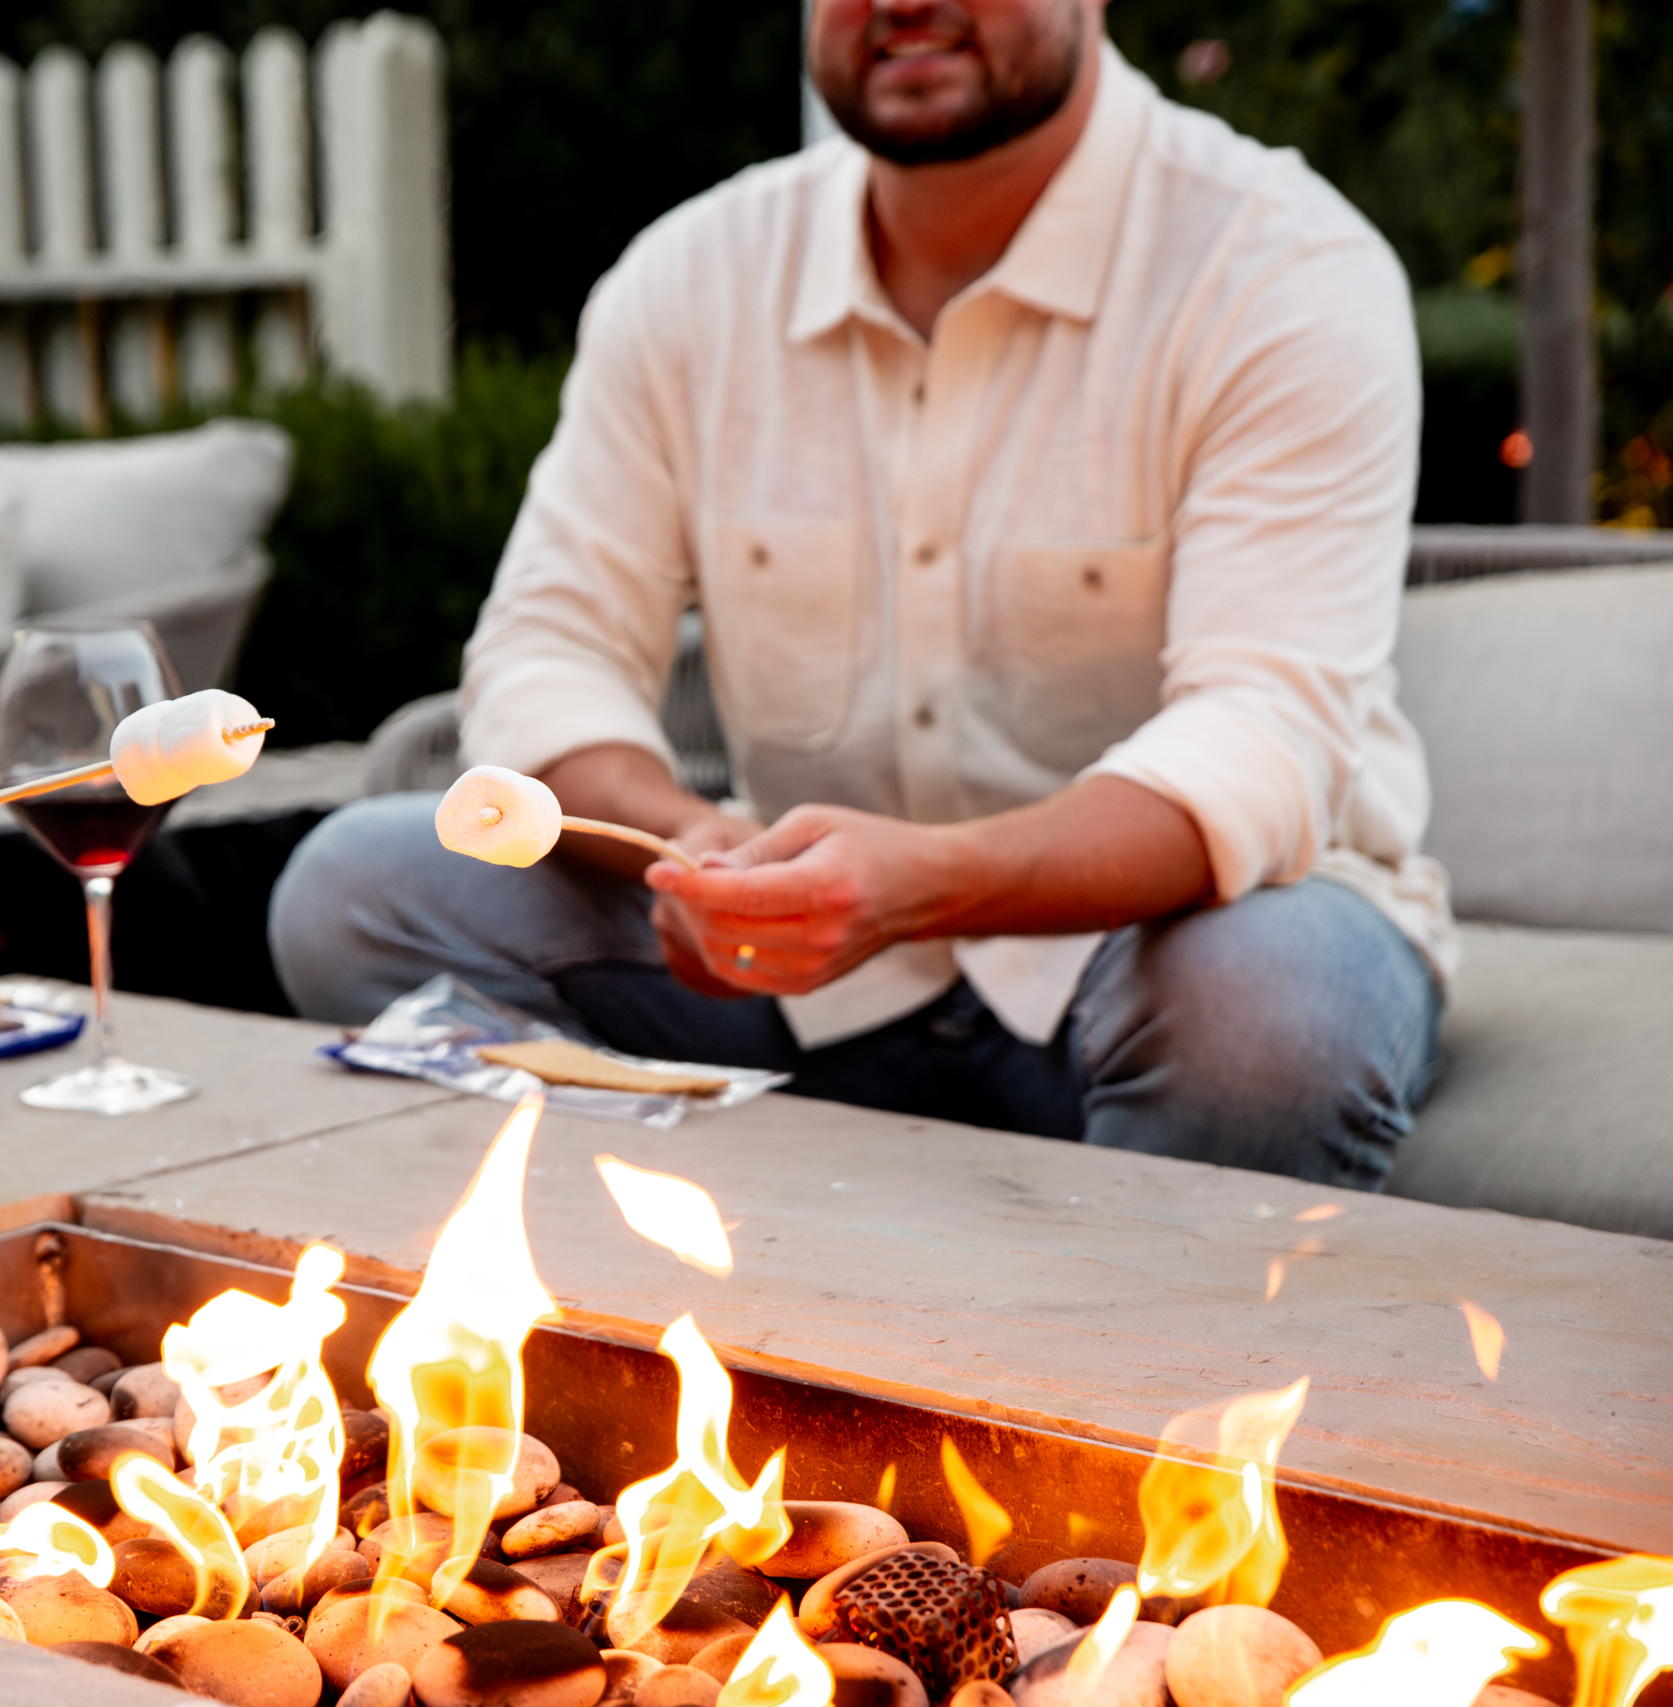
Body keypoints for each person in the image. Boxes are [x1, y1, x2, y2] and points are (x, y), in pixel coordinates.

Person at [272, 0, 1448, 1188]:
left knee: (1265, 1017)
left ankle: (1125, 1316)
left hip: (1158, 952)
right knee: (356, 888)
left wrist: (919, 888)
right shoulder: (694, 274)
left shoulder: (1280, 267)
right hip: (785, 976)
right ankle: (636, 1287)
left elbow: (1260, 735)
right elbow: (546, 647)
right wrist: (684, 848)